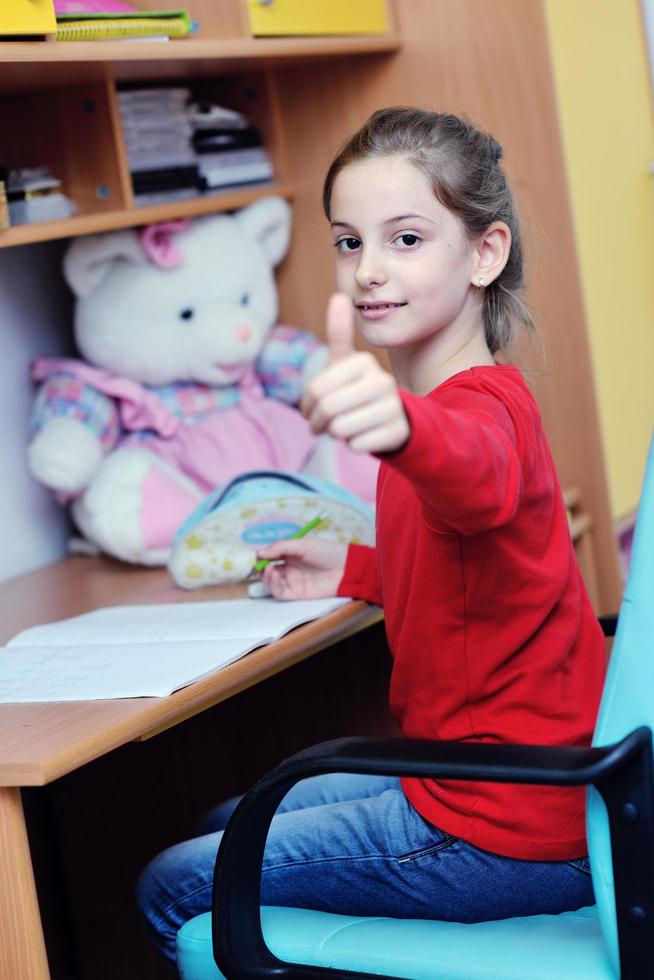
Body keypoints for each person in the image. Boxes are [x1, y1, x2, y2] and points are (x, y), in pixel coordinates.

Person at [136, 106, 605, 967]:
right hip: (518, 789)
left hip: (499, 825)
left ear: (485, 254)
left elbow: (478, 478)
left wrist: (399, 426)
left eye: (407, 239)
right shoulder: (459, 404)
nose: (370, 271)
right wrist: (352, 567)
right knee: (221, 823)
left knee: (173, 881)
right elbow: (471, 571)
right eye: (350, 243)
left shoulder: (475, 415)